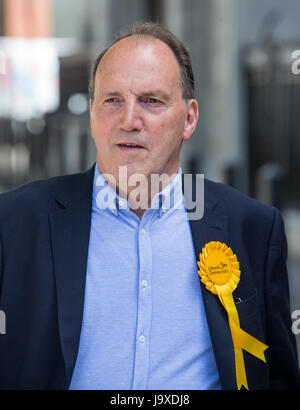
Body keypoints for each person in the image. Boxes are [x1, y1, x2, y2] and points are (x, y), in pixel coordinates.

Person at [0, 22, 299, 390]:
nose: (129, 121)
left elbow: (279, 376)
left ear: (189, 118)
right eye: (112, 101)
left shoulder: (252, 227)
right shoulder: (15, 223)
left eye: (151, 101)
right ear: (92, 116)